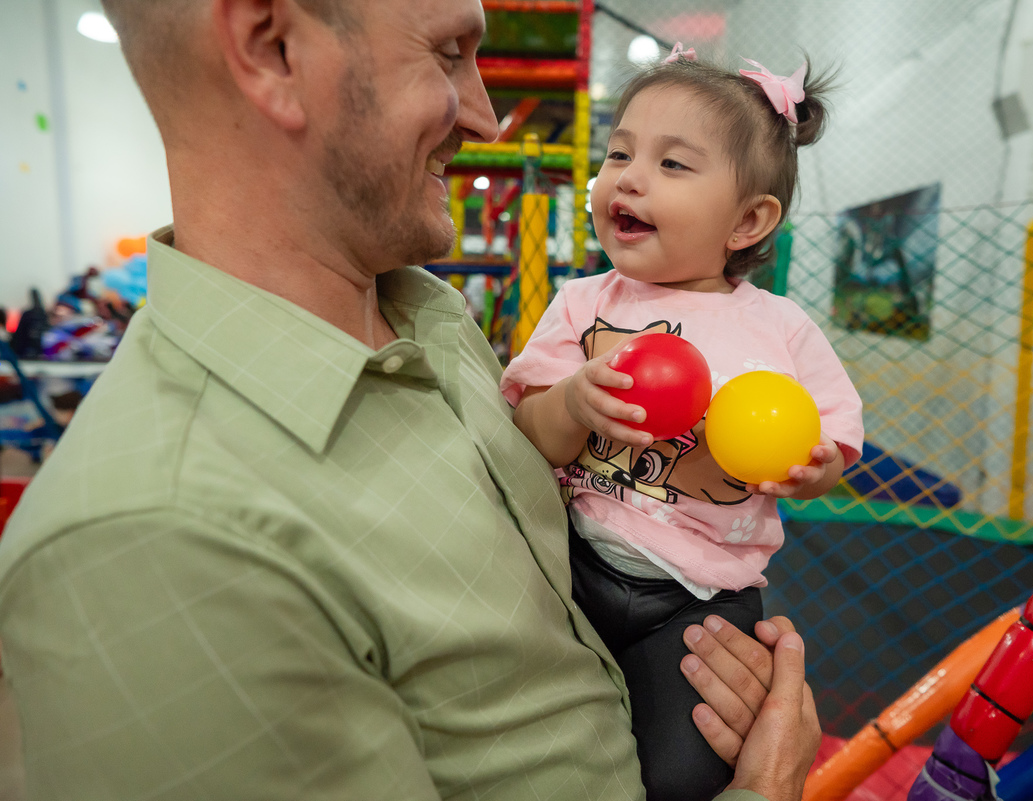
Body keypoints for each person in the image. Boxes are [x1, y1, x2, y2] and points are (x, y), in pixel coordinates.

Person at [0, 3, 820, 800]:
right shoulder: (154, 545)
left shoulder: (427, 315)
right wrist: (765, 786)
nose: (489, 118)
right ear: (271, 48)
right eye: (447, 53)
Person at [501, 48, 863, 801]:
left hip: (701, 598)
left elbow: (833, 440)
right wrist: (571, 402)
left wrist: (812, 466)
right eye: (619, 153)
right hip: (570, 567)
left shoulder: (781, 329)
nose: (627, 177)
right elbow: (529, 432)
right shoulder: (583, 304)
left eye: (673, 165)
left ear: (748, 220)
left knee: (683, 773)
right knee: (534, 743)